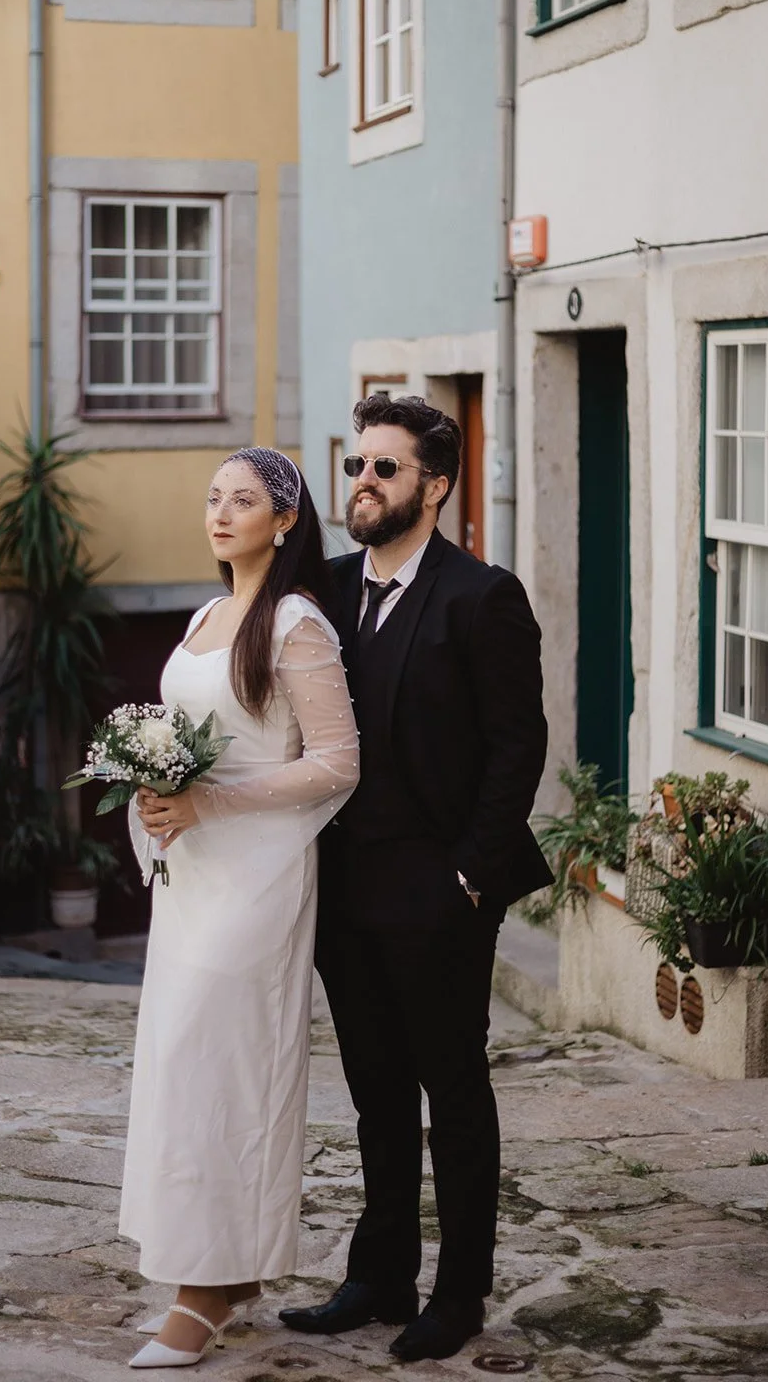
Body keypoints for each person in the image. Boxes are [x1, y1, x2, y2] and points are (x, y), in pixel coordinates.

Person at [279, 394, 551, 1363]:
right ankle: (378, 1273)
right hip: (342, 895)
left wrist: (470, 877)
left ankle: (458, 1291)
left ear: (433, 487)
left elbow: (517, 745)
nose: (362, 482)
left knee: (453, 1092)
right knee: (373, 1091)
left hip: (439, 893)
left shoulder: (482, 597)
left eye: (384, 469)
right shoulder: (321, 591)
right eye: (356, 465)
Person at [121, 447, 359, 1370]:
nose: (221, 513)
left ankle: (208, 1290)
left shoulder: (295, 623)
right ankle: (216, 1269)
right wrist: (154, 793)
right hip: (192, 875)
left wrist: (211, 801)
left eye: (244, 499)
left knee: (224, 1067)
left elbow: (337, 761)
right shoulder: (206, 614)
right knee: (178, 1066)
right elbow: (186, 740)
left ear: (286, 519)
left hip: (258, 877)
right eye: (213, 497)